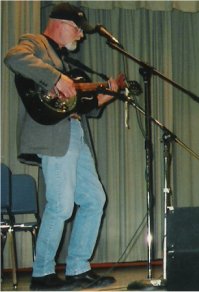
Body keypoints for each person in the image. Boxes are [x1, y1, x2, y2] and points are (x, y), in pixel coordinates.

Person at [4, 3, 118, 290]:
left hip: (74, 132)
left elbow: (81, 105)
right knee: (61, 205)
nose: (80, 35)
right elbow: (14, 57)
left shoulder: (67, 61)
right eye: (77, 29)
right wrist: (56, 77)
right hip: (54, 136)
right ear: (61, 23)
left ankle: (79, 268)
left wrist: (109, 94)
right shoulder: (36, 43)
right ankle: (42, 275)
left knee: (94, 200)